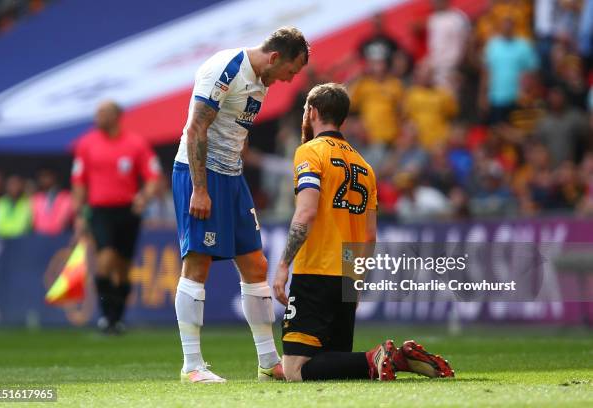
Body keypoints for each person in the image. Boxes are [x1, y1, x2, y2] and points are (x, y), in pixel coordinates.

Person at [272, 83, 454, 382]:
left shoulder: (309, 153)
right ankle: (392, 359)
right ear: (342, 118)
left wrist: (282, 265)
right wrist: (355, 283)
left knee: (295, 370)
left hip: (315, 271)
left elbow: (305, 212)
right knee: (335, 366)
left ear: (313, 112)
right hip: (346, 275)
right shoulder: (364, 166)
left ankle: (379, 356)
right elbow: (369, 236)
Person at [172, 26, 309, 383]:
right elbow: (195, 129)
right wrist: (200, 190)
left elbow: (235, 131)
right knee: (198, 264)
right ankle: (192, 366)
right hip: (200, 175)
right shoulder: (225, 68)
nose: (288, 80)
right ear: (276, 56)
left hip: (233, 178)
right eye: (290, 72)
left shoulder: (262, 81)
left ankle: (268, 362)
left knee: (255, 262)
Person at [71, 100, 160, 334]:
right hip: (100, 211)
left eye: (103, 113)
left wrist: (144, 196)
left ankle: (116, 319)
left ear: (116, 116)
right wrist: (80, 213)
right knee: (106, 258)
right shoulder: (86, 144)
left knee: (123, 267)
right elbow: (79, 181)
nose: (97, 117)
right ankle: (106, 315)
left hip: (128, 211)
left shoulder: (136, 144)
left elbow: (152, 175)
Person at [31, 168, 74, 235]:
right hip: (40, 238)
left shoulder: (66, 197)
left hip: (60, 237)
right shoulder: (36, 198)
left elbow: (62, 221)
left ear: (54, 177)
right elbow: (35, 222)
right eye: (41, 176)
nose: (43, 179)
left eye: (46, 176)